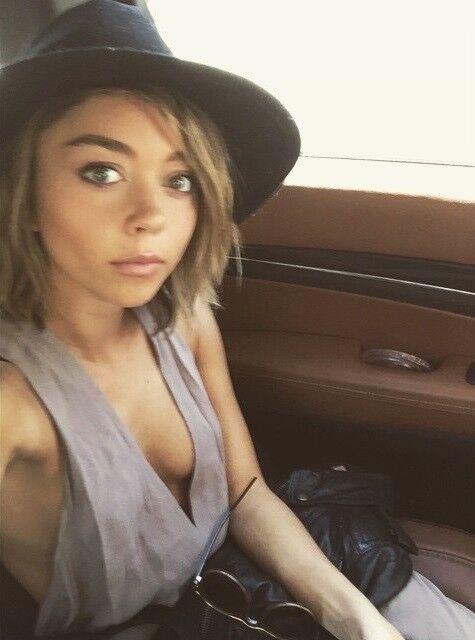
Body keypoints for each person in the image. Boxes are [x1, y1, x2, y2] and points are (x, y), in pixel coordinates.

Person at [0, 2, 473, 640]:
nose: (151, 215)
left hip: (254, 585)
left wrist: (355, 619)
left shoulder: (185, 317)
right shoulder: (11, 399)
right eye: (101, 172)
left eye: (180, 180)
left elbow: (245, 494)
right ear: (24, 193)